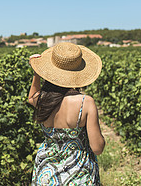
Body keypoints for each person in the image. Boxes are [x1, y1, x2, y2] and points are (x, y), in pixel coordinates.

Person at [27, 42, 105, 185]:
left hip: (46, 172)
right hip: (79, 174)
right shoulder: (85, 102)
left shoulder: (43, 100)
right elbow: (97, 148)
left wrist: (36, 72)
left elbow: (32, 97)